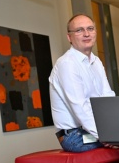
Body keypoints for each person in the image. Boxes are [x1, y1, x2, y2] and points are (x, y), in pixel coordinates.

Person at [49, 13, 115, 153]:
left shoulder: (96, 61)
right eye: (79, 30)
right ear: (69, 37)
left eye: (90, 28)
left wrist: (116, 128)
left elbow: (107, 97)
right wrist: (107, 136)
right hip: (74, 136)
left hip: (93, 130)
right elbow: (80, 107)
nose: (86, 34)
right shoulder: (67, 64)